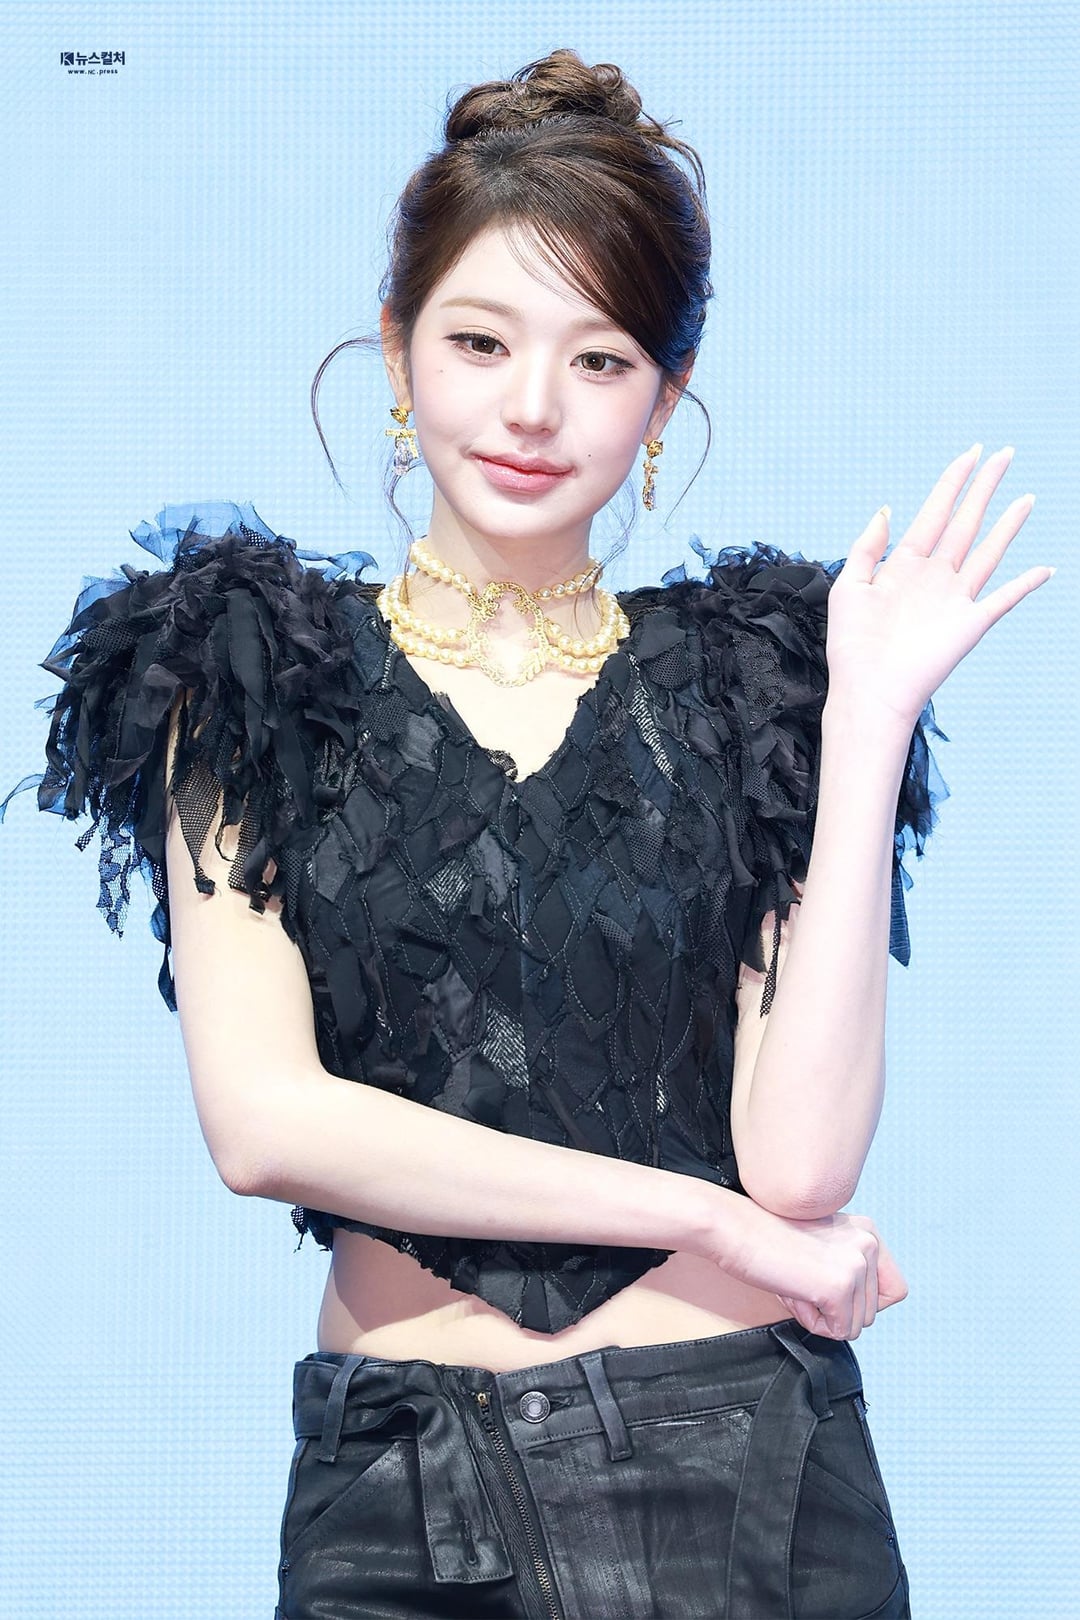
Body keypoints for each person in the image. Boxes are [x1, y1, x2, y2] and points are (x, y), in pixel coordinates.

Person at [3, 47, 1050, 1620]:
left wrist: (867, 723)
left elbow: (801, 1162)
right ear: (397, 346)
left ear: (666, 396)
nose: (533, 408)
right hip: (398, 1502)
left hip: (750, 1473)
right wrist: (703, 1216)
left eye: (602, 358)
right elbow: (264, 1125)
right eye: (481, 341)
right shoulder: (243, 667)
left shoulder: (760, 680)